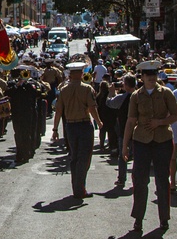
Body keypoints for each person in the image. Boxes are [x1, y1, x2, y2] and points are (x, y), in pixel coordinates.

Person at [122, 60, 177, 234]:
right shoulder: (136, 96)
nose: (151, 78)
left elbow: (175, 115)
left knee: (162, 180)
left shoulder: (166, 93)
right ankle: (138, 219)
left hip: (162, 140)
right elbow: (131, 121)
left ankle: (164, 218)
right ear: (142, 77)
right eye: (148, 75)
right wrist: (125, 145)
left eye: (154, 75)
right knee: (140, 180)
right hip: (141, 141)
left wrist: (160, 122)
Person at [52, 61, 102, 199]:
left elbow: (58, 111)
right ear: (81, 74)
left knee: (74, 157)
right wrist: (98, 122)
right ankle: (80, 189)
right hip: (84, 125)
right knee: (84, 158)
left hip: (70, 126)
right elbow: (92, 108)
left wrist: (55, 129)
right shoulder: (87, 89)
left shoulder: (63, 90)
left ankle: (76, 187)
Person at [107, 73, 136, 187]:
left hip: (124, 129)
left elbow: (109, 103)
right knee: (137, 156)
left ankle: (122, 178)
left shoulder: (122, 97)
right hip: (138, 130)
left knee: (123, 155)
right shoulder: (139, 95)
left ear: (126, 85)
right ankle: (137, 179)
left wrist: (111, 92)